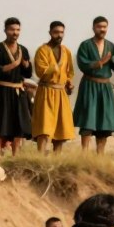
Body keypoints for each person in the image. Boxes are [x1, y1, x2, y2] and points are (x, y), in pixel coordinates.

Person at [0, 18, 32, 157]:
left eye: (17, 30)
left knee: (18, 125)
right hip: (2, 91)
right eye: (12, 30)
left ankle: (15, 155)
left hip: (18, 91)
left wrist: (26, 65)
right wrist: (13, 64)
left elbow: (28, 73)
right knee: (1, 123)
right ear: (5, 30)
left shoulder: (23, 50)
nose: (15, 33)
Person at [74, 16, 114, 154]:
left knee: (104, 122)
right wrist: (100, 62)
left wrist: (111, 59)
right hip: (89, 85)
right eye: (99, 27)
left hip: (105, 88)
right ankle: (85, 154)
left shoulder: (111, 46)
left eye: (104, 27)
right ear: (93, 28)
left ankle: (100, 155)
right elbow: (83, 64)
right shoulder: (85, 45)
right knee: (88, 120)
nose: (102, 29)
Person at [32, 21, 75, 154]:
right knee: (44, 129)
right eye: (56, 32)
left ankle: (57, 159)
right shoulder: (42, 50)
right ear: (50, 32)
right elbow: (41, 71)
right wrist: (54, 68)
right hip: (46, 91)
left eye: (62, 32)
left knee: (60, 130)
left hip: (61, 93)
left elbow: (69, 72)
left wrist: (69, 82)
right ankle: (40, 157)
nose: (59, 35)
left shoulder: (66, 51)